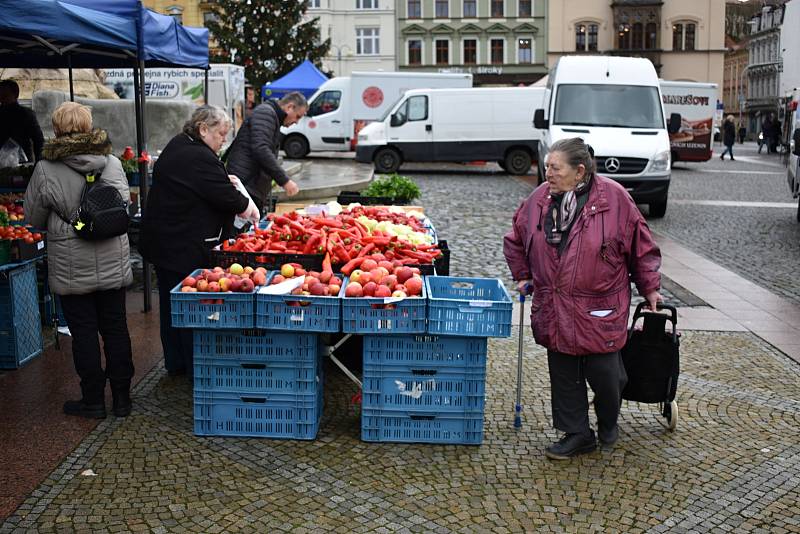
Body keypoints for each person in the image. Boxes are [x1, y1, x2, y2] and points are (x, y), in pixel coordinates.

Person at [503, 137, 662, 460]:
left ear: (579, 171)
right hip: (554, 303)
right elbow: (515, 239)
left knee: (607, 374)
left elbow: (641, 246)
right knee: (564, 372)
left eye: (554, 167)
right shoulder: (537, 201)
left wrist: (650, 288)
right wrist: (522, 275)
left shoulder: (614, 199)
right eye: (546, 166)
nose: (547, 173)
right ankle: (577, 433)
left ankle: (607, 420)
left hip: (599, 304)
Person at [24, 102, 134, 419]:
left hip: (71, 262)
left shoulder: (46, 168)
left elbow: (33, 216)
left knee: (83, 332)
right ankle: (123, 400)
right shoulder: (111, 162)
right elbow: (122, 204)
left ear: (56, 129)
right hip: (112, 256)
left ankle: (93, 401)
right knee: (116, 328)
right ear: (88, 127)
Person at [138, 106, 258, 377]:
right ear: (203, 129)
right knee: (188, 307)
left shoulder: (181, 145)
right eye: (220, 134)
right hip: (180, 245)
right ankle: (194, 368)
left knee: (172, 304)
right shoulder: (198, 156)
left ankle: (176, 362)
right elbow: (229, 199)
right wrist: (242, 199)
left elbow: (203, 185)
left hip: (167, 242)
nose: (223, 141)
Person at [225, 91, 307, 213]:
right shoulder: (266, 113)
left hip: (249, 186)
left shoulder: (271, 115)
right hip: (245, 185)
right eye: (298, 116)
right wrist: (284, 181)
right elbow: (261, 149)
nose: (296, 122)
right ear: (289, 107)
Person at [0, 79, 44, 163]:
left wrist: (39, 162)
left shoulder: (26, 114)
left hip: (22, 161)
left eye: (5, 95)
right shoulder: (26, 113)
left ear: (15, 94)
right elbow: (39, 140)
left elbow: (38, 140)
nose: (1, 98)